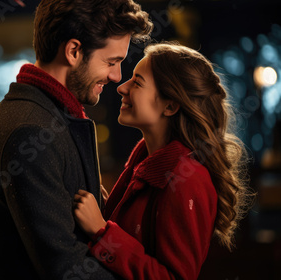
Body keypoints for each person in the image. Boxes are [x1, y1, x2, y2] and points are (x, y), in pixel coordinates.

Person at [0, 0, 152, 279]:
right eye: (111, 62)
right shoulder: (30, 130)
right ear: (73, 51)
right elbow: (66, 268)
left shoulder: (36, 115)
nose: (117, 77)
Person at [74, 42, 251, 280]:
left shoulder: (186, 179)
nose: (121, 87)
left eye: (137, 82)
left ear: (170, 105)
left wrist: (102, 232)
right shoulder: (146, 161)